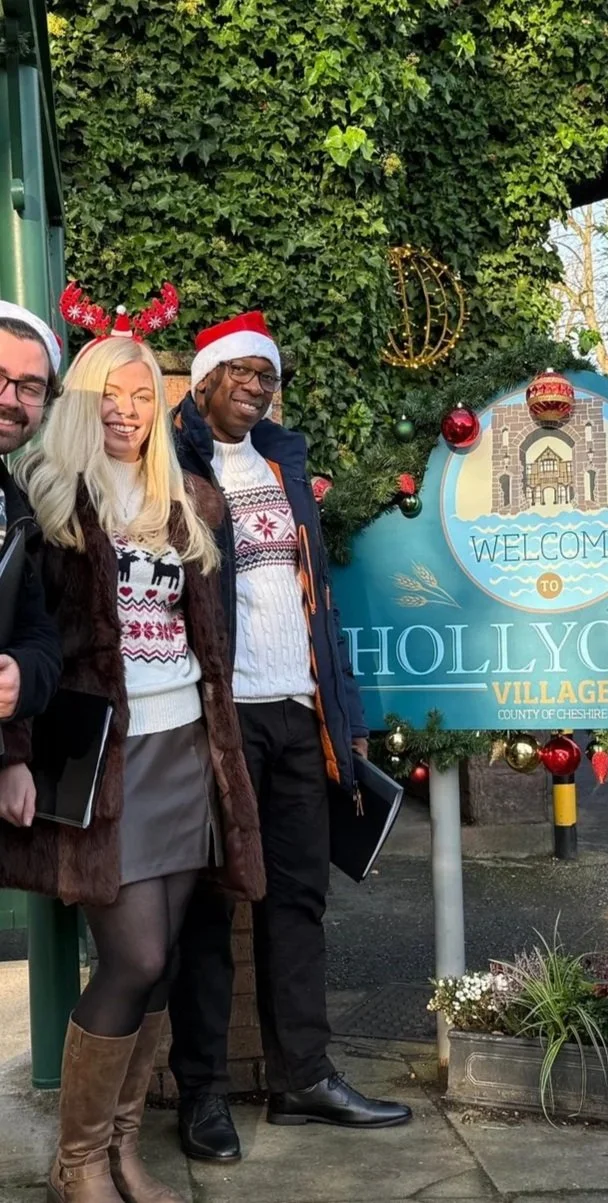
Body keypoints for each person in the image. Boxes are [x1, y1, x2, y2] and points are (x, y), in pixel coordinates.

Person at [0, 299, 266, 1203]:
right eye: (107, 394)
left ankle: (119, 1149)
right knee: (136, 957)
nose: (125, 409)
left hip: (185, 749)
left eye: (142, 394)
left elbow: (209, 638)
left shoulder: (187, 500)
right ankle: (76, 1160)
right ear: (81, 401)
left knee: (169, 953)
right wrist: (15, 754)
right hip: (102, 758)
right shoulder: (47, 495)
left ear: (160, 404)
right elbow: (30, 637)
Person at [168, 311, 410, 1163]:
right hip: (219, 714)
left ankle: (302, 1074)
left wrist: (341, 714)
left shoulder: (284, 462)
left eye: (266, 376)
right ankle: (200, 1088)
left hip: (299, 710)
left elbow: (317, 600)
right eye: (240, 372)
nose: (256, 386)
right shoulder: (174, 463)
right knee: (211, 901)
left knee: (298, 896)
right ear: (204, 380)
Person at [0, 302, 64, 734]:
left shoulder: (16, 509)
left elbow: (37, 633)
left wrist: (21, 678)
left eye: (30, 387)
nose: (9, 399)